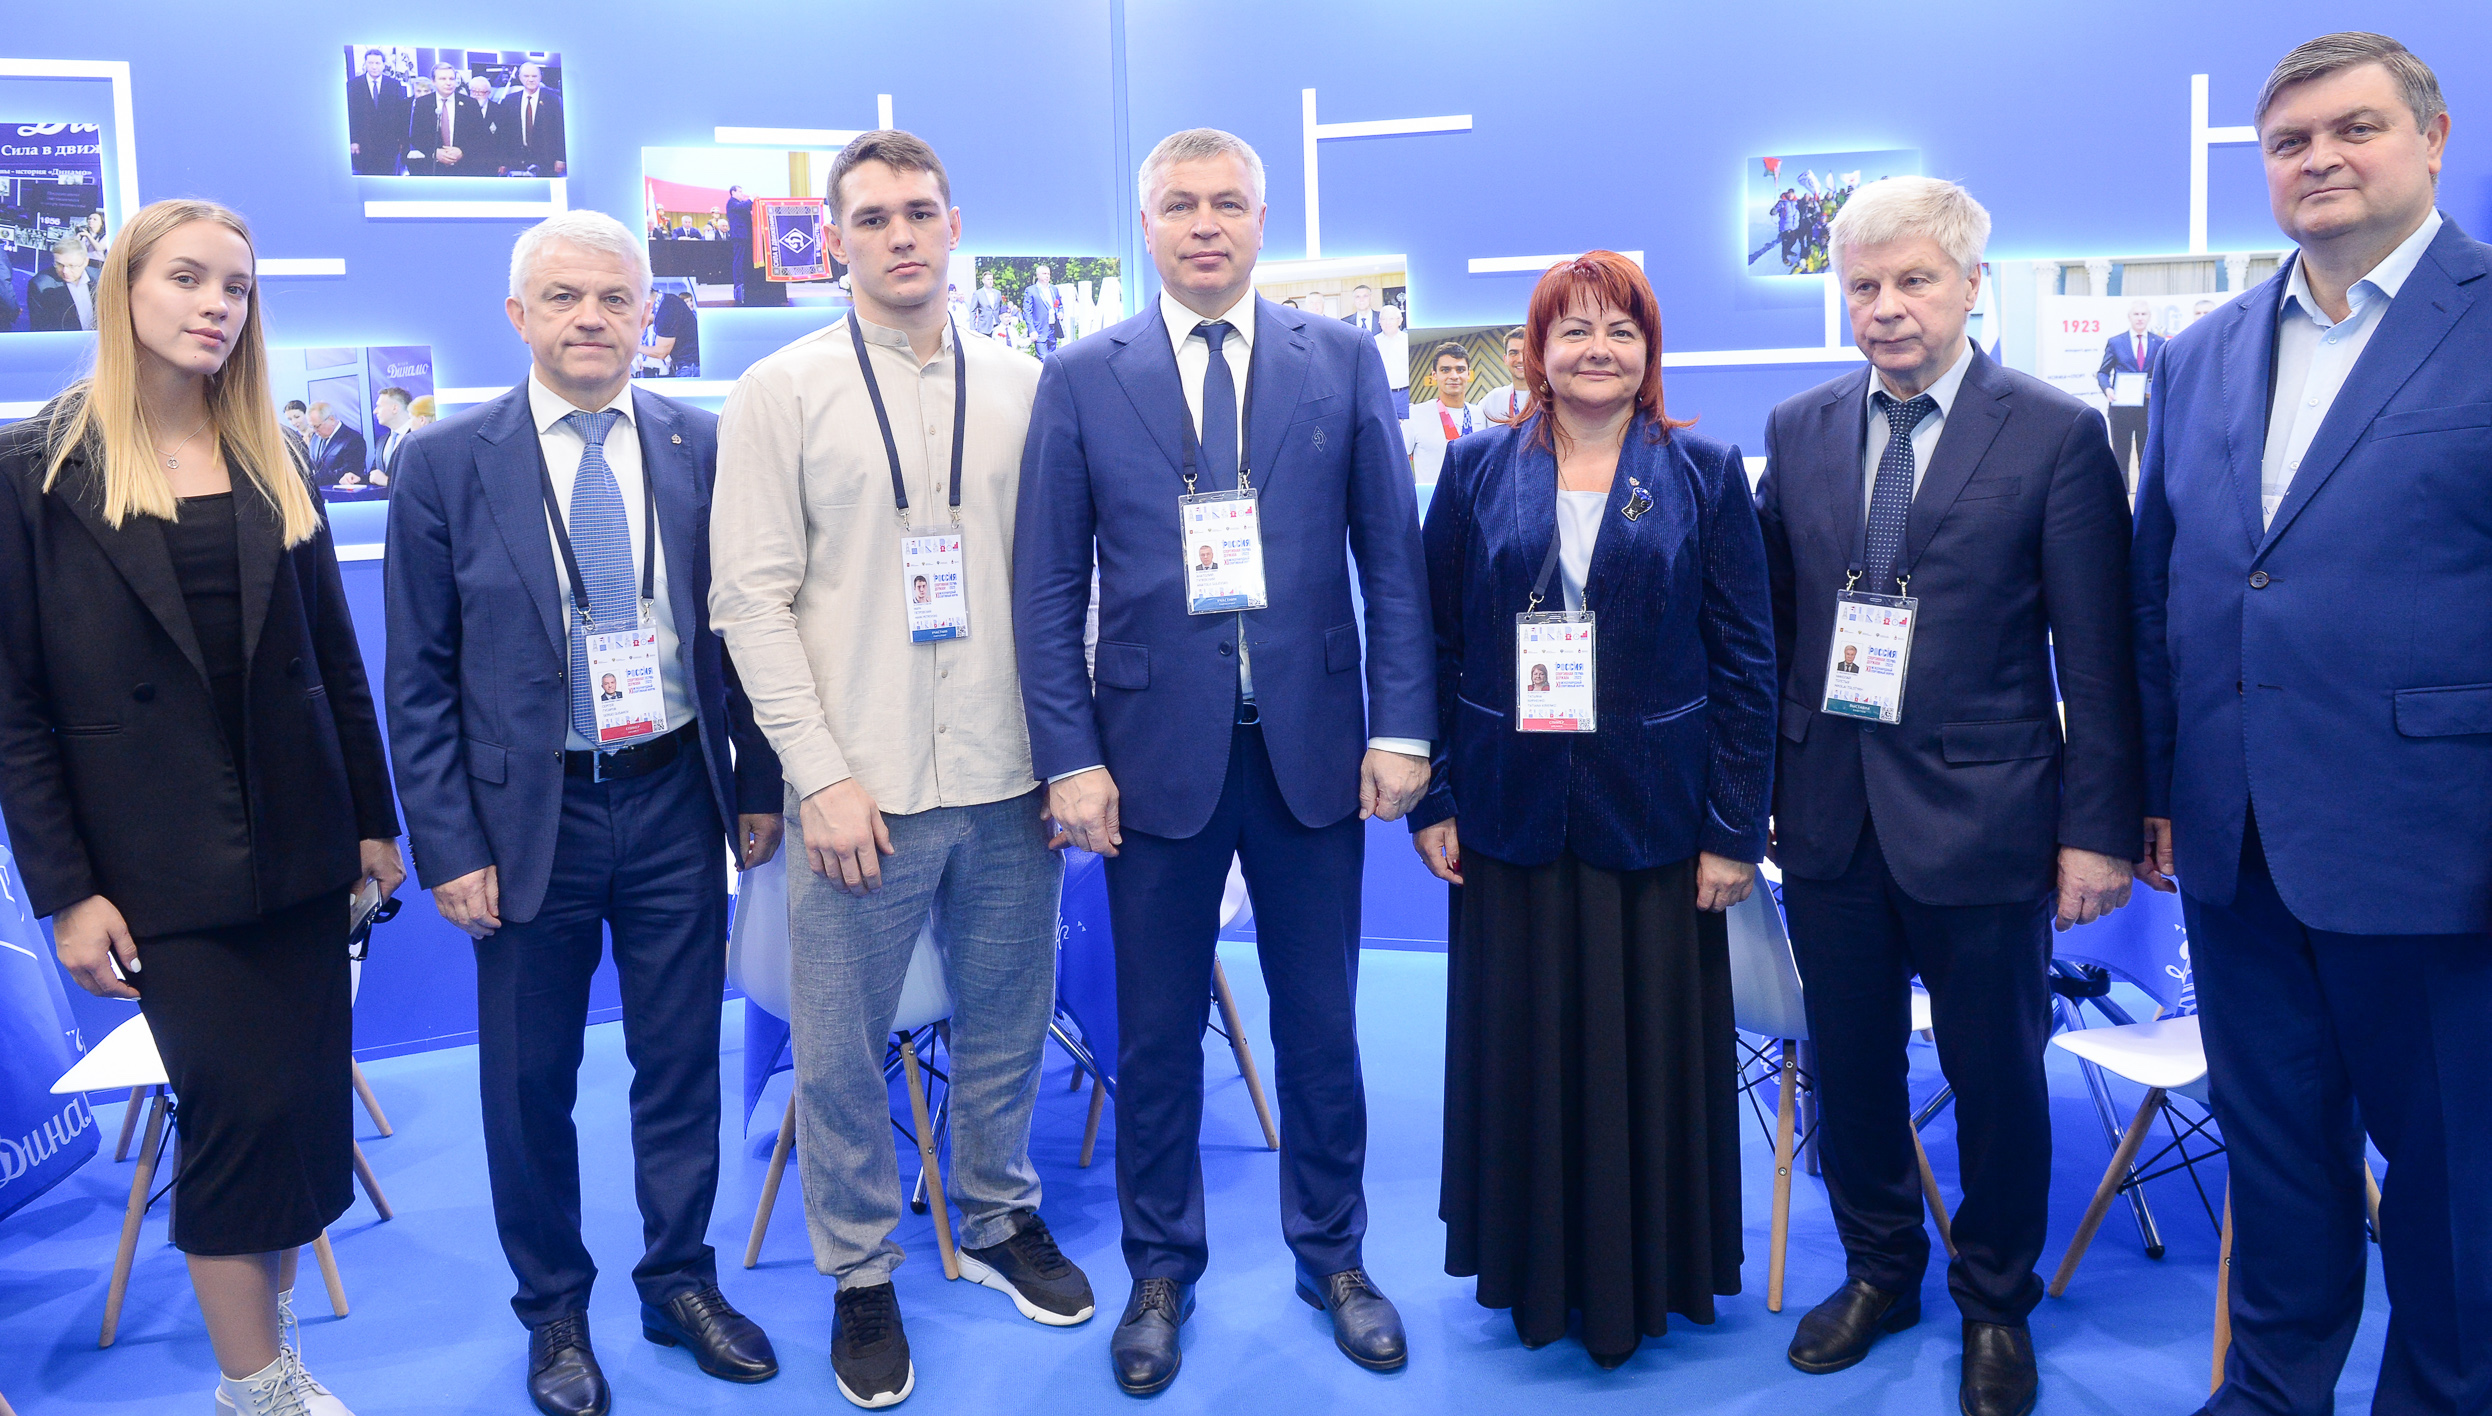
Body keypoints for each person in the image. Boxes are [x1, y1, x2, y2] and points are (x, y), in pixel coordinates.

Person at [1014, 126, 1434, 1396]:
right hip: (1146, 762)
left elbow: (1391, 560)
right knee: (1154, 1037)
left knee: (1319, 1026)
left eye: (1228, 204)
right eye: (1180, 205)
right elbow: (1047, 589)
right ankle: (1159, 1272)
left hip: (1312, 751)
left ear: (1261, 221)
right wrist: (1068, 757)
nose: (1205, 224)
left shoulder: (1340, 360)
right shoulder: (1081, 377)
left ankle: (1334, 1257)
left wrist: (1401, 726)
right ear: (1145, 224)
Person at [2134, 33, 2492, 1415]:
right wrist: (2154, 792)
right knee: (2277, 1162)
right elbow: (2162, 587)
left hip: (2438, 851)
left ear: (2433, 139)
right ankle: (2269, 1395)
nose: (2319, 160)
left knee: (2456, 1186)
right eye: (2289, 142)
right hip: (2236, 851)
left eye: (2355, 129)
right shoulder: (2202, 353)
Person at [0, 198, 403, 1416]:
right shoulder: (33, 469)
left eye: (236, 286)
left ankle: (269, 1369)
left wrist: (373, 823)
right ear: (123, 288)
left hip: (301, 852)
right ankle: (257, 1388)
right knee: (235, 1123)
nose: (217, 305)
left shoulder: (273, 455)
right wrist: (67, 893)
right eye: (187, 278)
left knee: (296, 1123)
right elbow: (14, 709)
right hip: (154, 870)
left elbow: (335, 662)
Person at [711, 129, 1092, 1410]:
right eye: (870, 218)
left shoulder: (1030, 386)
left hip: (1008, 770)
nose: (899, 236)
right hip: (857, 785)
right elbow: (747, 601)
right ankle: (860, 1271)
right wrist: (816, 775)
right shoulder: (781, 391)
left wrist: (1071, 755)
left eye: (918, 212)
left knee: (1007, 1019)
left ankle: (996, 1216)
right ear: (835, 240)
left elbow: (1071, 580)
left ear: (953, 224)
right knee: (836, 1050)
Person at [383, 210, 786, 1416]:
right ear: (518, 316)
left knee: (680, 1062)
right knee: (528, 1082)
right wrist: (448, 845)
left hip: (672, 798)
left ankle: (678, 1283)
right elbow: (418, 678)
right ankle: (554, 1310)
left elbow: (745, 633)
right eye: (563, 298)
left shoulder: (701, 443)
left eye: (615, 298)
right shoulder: (444, 462)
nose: (591, 319)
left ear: (648, 314)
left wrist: (756, 785)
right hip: (527, 822)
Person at [1756, 175, 2140, 1416]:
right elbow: (1767, 632)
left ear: (1972, 285)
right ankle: (1878, 1268)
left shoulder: (2053, 433)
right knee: (1850, 1067)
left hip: (1986, 816)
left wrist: (2095, 833)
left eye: (1912, 280)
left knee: (1995, 1076)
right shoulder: (1799, 427)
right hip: (1827, 813)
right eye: (1861, 285)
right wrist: (1758, 791)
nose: (1884, 307)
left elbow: (2095, 655)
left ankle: (1993, 1299)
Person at [1410, 249, 1775, 1368]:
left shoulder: (1703, 472)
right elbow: (1434, 643)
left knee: (1643, 1059)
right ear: (1535, 351)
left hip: (1653, 822)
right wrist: (1433, 794)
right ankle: (1528, 1270)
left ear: (1648, 350)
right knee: (1520, 1049)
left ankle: (1645, 1275)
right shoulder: (1476, 468)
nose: (1596, 350)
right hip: (1508, 816)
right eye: (1572, 330)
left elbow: (1746, 663)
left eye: (1620, 329)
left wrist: (1732, 830)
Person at [2095, 298, 2164, 487]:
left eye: (2143, 314)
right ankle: (2122, 493)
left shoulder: (2159, 342)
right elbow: (2102, 372)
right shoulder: (2116, 342)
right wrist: (2107, 389)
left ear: (2149, 317)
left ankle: (2145, 493)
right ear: (2129, 317)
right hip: (2121, 410)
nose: (2140, 318)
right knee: (2120, 456)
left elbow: (2163, 373)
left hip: (2147, 410)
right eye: (2136, 314)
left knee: (2147, 456)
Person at [1405, 341, 1481, 484]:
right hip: (1432, 498)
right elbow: (1397, 462)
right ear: (1434, 375)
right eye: (1445, 370)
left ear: (1468, 374)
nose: (1454, 376)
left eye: (1460, 369)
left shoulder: (1481, 415)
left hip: (1473, 497)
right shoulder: (1415, 415)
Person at [403, 64, 483, 176]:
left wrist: (462, 151)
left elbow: (480, 135)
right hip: (432, 169)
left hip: (464, 168)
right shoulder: (422, 103)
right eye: (443, 79)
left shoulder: (470, 103)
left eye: (451, 79)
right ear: (433, 81)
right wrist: (434, 152)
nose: (448, 83)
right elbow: (416, 136)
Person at [345, 48, 408, 176]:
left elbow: (401, 114)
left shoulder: (394, 84)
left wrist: (402, 141)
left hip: (388, 144)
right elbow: (350, 115)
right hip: (363, 144)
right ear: (365, 64)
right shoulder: (353, 85)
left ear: (383, 64)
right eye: (370, 63)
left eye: (377, 63)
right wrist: (353, 140)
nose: (374, 67)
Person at [497, 62, 566, 177]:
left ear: (540, 77)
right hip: (516, 162)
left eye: (534, 76)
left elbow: (560, 130)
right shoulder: (509, 101)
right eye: (526, 76)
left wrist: (560, 158)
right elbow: (504, 134)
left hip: (547, 162)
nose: (530, 79)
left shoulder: (553, 100)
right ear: (520, 78)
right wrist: (502, 161)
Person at [27, 237, 99, 331]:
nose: (65, 271)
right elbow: (40, 327)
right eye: (59, 264)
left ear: (85, 261)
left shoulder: (100, 277)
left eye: (72, 266)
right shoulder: (40, 285)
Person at [301, 403, 367, 493]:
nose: (314, 430)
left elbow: (350, 470)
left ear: (331, 420)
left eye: (317, 426)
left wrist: (313, 479)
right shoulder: (315, 437)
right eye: (311, 426)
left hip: (340, 494)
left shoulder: (353, 439)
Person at [367, 386, 413, 490]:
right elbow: (375, 475)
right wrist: (356, 479)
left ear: (394, 408)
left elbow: (421, 481)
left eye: (379, 406)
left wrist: (387, 482)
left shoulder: (418, 438)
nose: (375, 411)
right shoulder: (382, 440)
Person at [1480, 327, 1529, 423]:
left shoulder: (1549, 398)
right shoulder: (1493, 400)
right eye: (1513, 353)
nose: (1521, 359)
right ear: (1505, 359)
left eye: (1526, 352)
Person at [464, 75, 507, 174]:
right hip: (466, 162)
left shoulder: (500, 110)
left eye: (481, 92)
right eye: (473, 91)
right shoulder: (462, 109)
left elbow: (504, 138)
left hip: (491, 162)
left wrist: (502, 162)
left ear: (488, 93)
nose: (476, 95)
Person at [1375, 304, 1412, 419]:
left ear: (1400, 321)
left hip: (1405, 394)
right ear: (1379, 322)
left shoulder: (1409, 341)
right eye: (1384, 319)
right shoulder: (1373, 342)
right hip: (1383, 396)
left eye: (1391, 319)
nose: (1387, 322)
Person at [724, 186, 755, 304]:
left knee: (744, 261)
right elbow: (742, 207)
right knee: (739, 260)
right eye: (740, 191)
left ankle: (745, 281)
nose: (742, 194)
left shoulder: (741, 203)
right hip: (739, 236)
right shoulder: (732, 202)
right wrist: (751, 199)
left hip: (746, 236)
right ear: (733, 192)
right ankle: (738, 283)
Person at [1023, 263, 1061, 357]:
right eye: (1044, 274)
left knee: (1053, 358)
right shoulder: (1031, 290)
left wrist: (1060, 312)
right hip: (1039, 330)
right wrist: (1032, 330)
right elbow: (1027, 312)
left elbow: (1059, 304)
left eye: (1048, 274)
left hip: (1053, 329)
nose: (1047, 276)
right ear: (1038, 275)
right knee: (1043, 358)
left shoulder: (1054, 289)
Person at [970, 269, 1004, 335]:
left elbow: (1001, 308)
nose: (990, 281)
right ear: (983, 281)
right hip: (984, 328)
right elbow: (972, 311)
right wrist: (972, 328)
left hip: (997, 326)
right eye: (988, 279)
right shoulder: (978, 294)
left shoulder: (998, 293)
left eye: (991, 279)